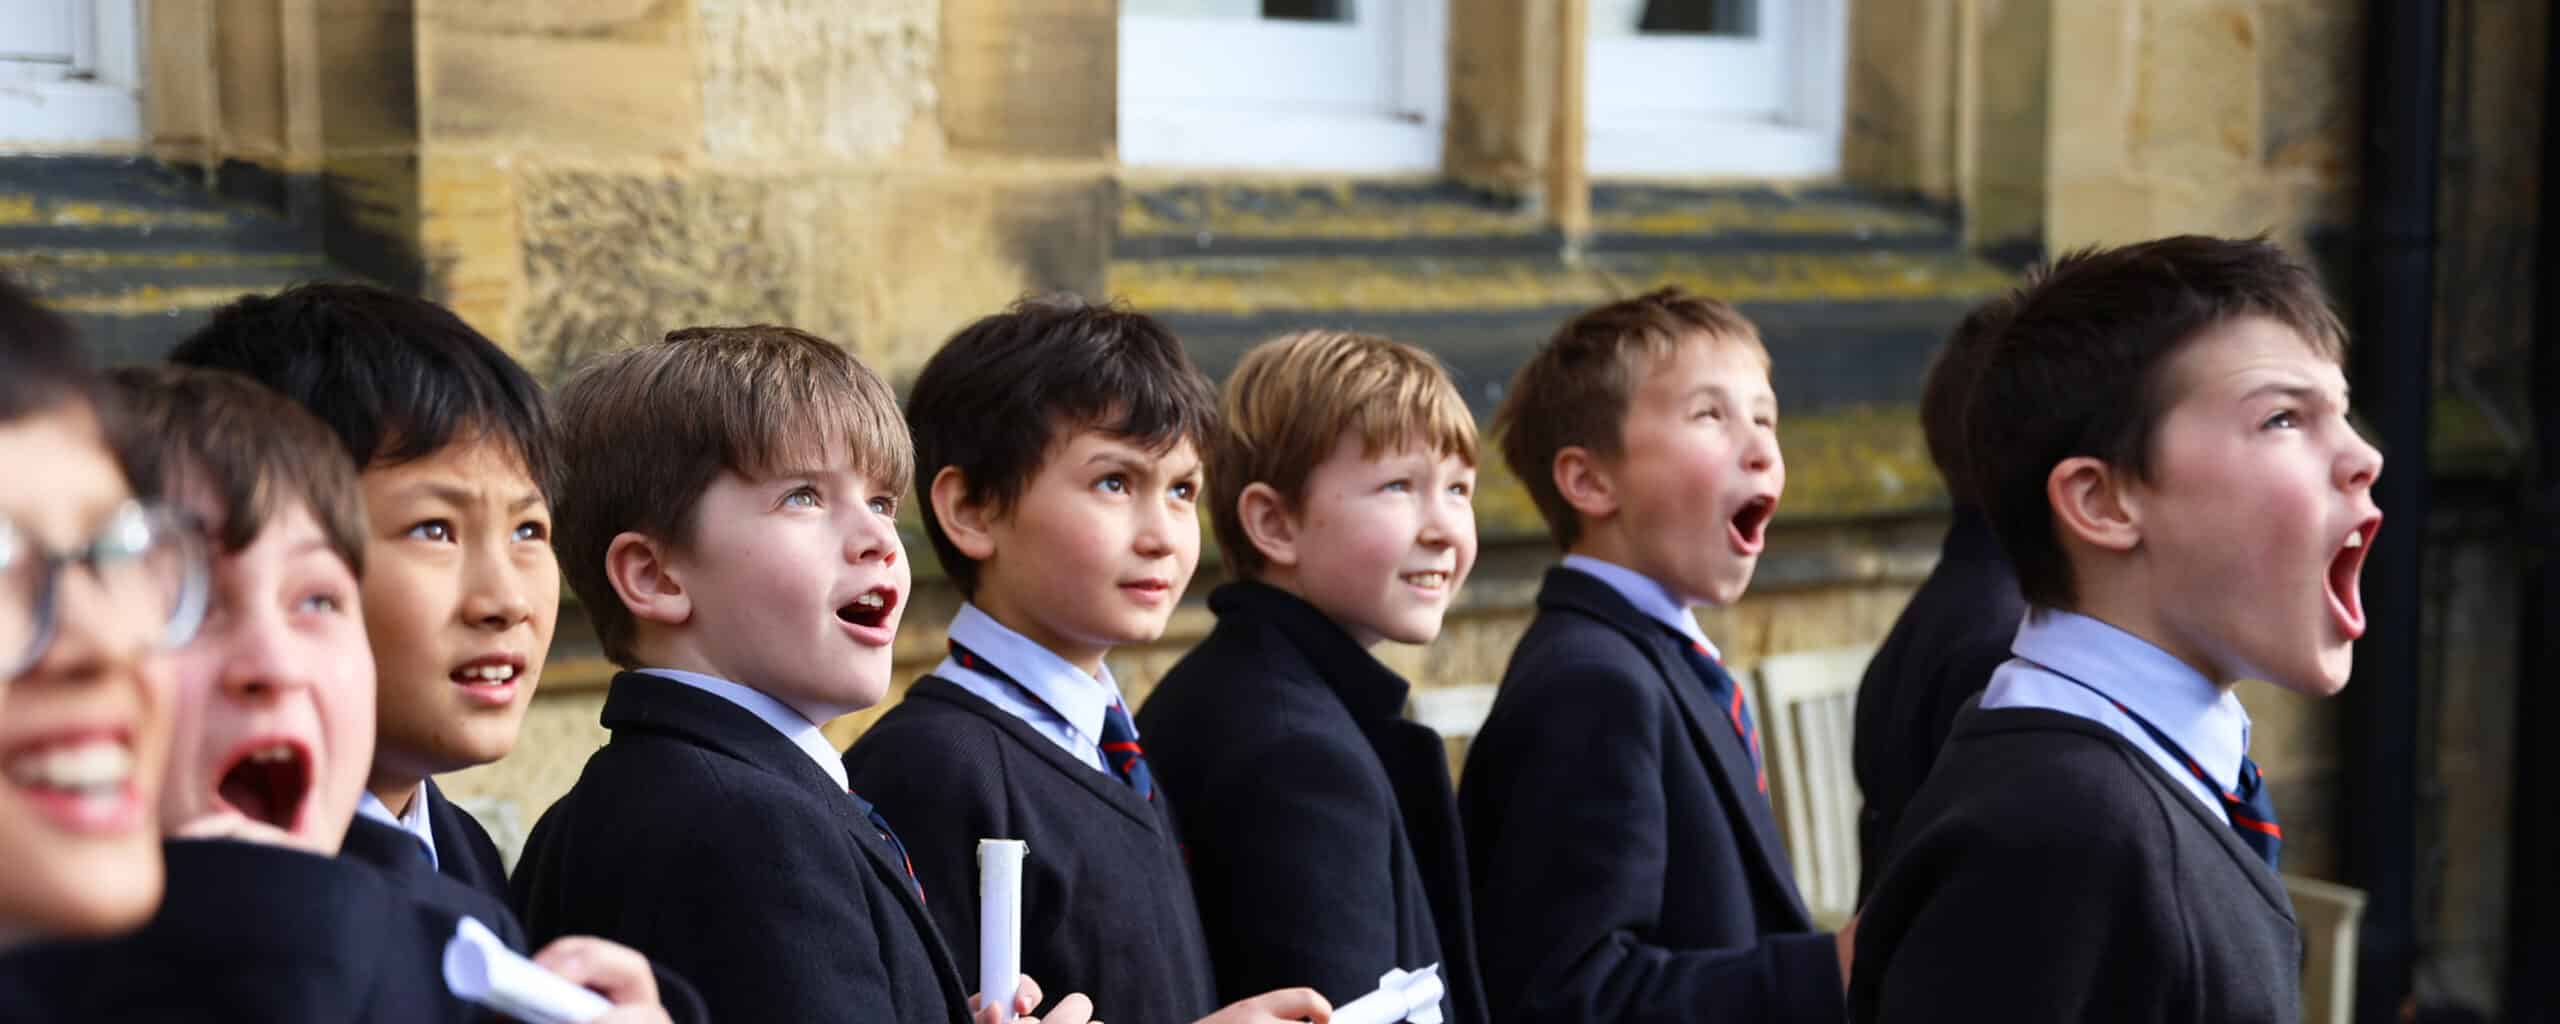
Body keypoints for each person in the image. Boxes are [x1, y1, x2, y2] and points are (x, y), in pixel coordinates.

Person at [1849, 236, 2383, 1023]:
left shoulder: (2128, 786)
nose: (2363, 456)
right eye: (2280, 418)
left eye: (2338, 412)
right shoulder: (2057, 834)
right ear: (2102, 503)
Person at [844, 297, 1329, 1024]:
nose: (1164, 534)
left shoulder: (1111, 748)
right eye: (1115, 483)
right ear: (972, 509)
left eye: (1182, 490)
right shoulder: (934, 768)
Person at [1461, 287, 1848, 1024]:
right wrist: (1824, 972)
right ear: (1589, 480)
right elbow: (1569, 997)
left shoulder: (1654, 661)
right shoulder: (1591, 685)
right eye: (1711, 415)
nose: (1763, 448)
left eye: (1765, 417)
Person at [1139, 329, 1489, 1024]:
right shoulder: (1296, 754)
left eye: (1459, 489)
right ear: (1274, 522)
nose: (1445, 526)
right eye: (1400, 486)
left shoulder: (1257, 693)